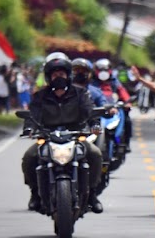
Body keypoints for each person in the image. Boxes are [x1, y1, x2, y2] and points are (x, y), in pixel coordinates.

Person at [21, 53, 104, 214]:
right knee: (29, 157)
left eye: (61, 74)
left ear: (68, 75)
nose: (58, 77)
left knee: (95, 154)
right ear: (48, 77)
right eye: (54, 74)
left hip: (75, 136)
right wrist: (29, 128)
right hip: (48, 137)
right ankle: (35, 194)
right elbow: (32, 115)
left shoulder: (81, 94)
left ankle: (92, 194)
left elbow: (90, 112)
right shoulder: (40, 96)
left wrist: (95, 124)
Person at [91, 58, 132, 153]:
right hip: (97, 109)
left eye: (105, 69)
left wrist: (127, 102)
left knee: (127, 120)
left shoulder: (114, 81)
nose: (103, 72)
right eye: (100, 69)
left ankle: (126, 143)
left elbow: (122, 91)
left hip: (114, 108)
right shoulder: (92, 82)